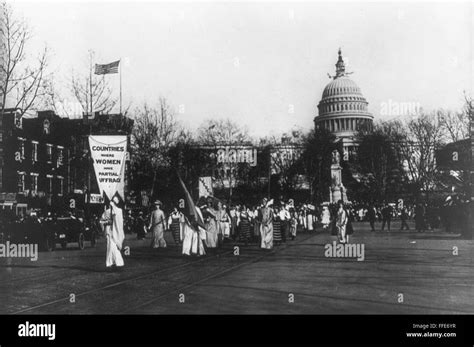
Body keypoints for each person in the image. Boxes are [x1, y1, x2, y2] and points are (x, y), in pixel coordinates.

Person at [100, 196, 125, 270]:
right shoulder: (107, 211)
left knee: (115, 247)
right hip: (109, 232)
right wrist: (107, 222)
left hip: (116, 231)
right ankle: (113, 263)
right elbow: (101, 221)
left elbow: (120, 222)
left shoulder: (119, 211)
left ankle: (116, 263)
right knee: (111, 247)